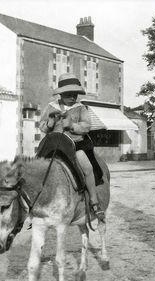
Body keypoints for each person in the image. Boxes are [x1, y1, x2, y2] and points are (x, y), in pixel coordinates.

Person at [39, 73, 104, 221]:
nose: (73, 97)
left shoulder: (81, 108)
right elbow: (42, 127)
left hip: (74, 145)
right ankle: (36, 202)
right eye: (69, 94)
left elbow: (87, 126)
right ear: (61, 94)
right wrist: (49, 123)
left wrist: (72, 125)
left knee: (87, 168)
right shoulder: (51, 107)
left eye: (75, 94)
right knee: (36, 168)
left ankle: (94, 201)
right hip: (53, 144)